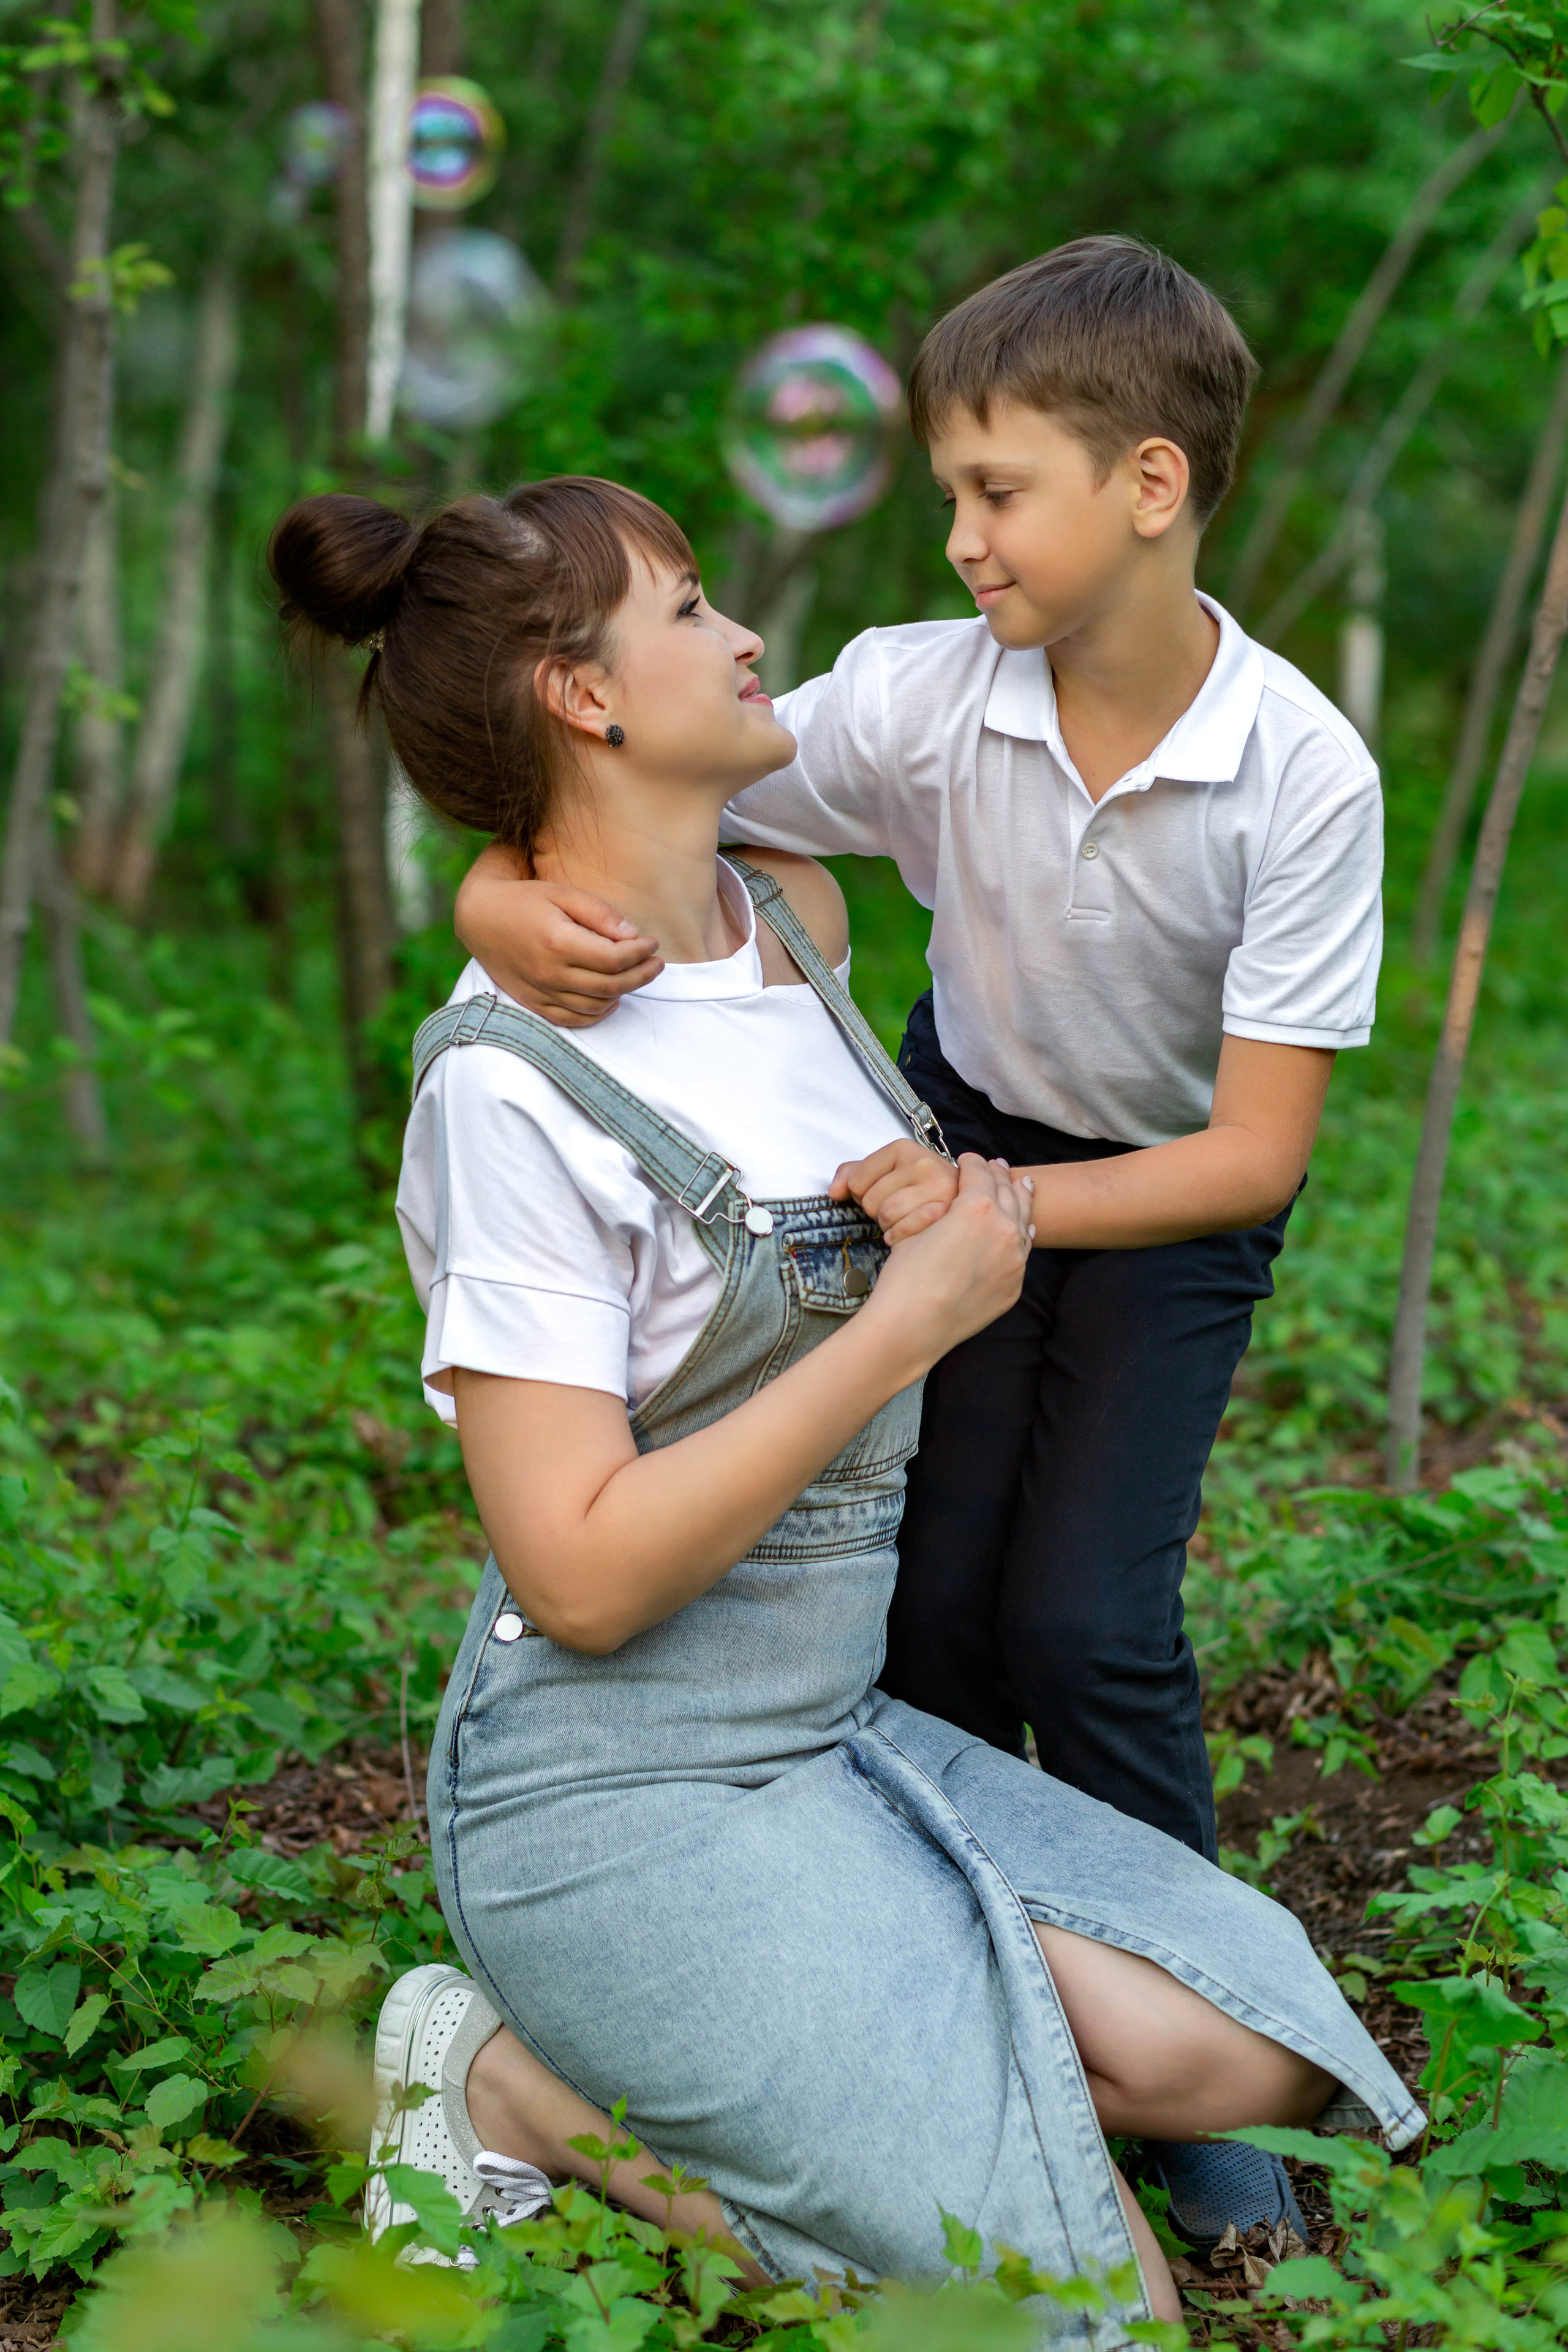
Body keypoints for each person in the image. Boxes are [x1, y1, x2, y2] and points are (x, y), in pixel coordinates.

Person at [271, 475, 1416, 2324]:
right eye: (697, 606)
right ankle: (515, 2089)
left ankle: (893, 2031)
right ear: (584, 695)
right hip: (618, 1793)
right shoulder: (503, 1095)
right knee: (1094, 2315)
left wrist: (508, 882)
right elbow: (571, 1576)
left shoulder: (792, 924)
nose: (746, 640)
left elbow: (651, 874)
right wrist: (911, 1320)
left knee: (1251, 2052)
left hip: (830, 1735)